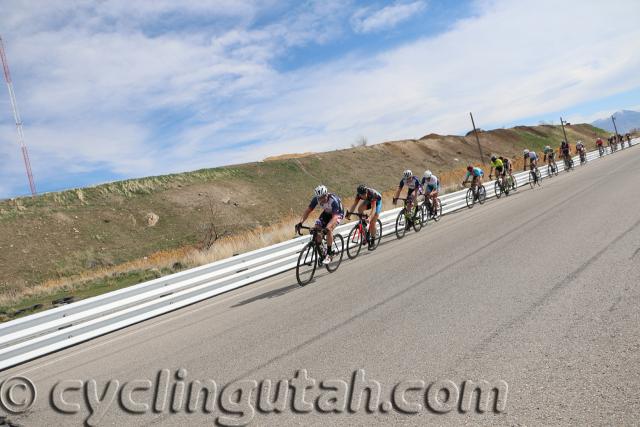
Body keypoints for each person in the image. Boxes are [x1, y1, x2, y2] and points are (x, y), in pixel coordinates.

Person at [295, 185, 344, 264]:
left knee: (329, 230)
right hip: (327, 212)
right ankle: (322, 252)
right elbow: (308, 211)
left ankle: (329, 253)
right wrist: (300, 223)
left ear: (326, 194)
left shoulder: (333, 201)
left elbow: (335, 217)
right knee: (317, 228)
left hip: (337, 214)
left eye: (322, 197)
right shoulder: (316, 199)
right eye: (319, 198)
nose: (321, 200)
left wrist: (327, 228)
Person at [346, 184, 382, 249]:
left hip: (377, 202)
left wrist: (370, 217)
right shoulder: (359, 196)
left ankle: (373, 241)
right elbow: (354, 205)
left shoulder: (371, 194)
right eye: (362, 195)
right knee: (360, 209)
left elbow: (373, 208)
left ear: (366, 192)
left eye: (364, 194)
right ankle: (364, 224)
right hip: (369, 201)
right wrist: (349, 214)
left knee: (372, 222)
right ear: (359, 194)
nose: (363, 196)